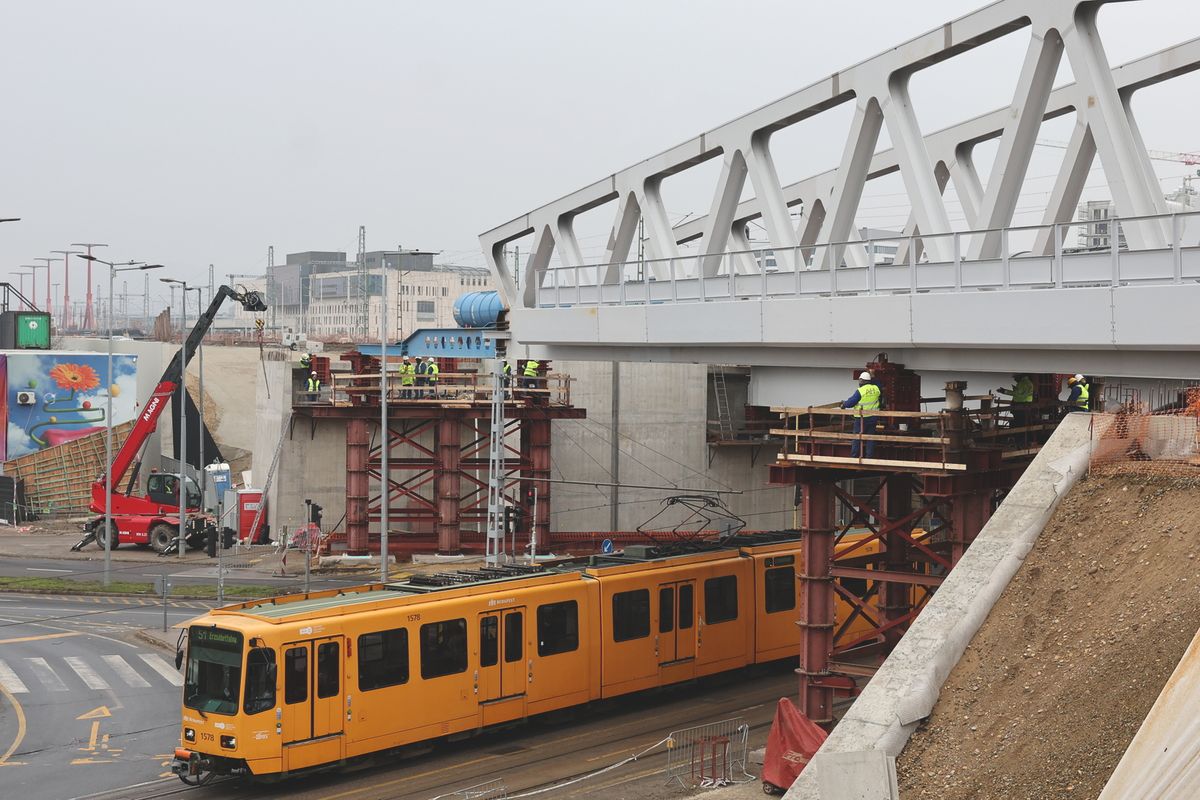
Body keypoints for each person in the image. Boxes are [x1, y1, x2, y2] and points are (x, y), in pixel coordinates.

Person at [842, 371, 882, 458]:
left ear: (862, 381)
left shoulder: (860, 391)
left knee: (857, 437)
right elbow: (879, 383)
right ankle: (869, 457)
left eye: (860, 380)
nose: (859, 382)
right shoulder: (876, 388)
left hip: (861, 419)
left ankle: (854, 456)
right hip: (873, 418)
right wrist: (873, 376)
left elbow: (851, 403)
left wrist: (844, 404)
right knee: (870, 438)